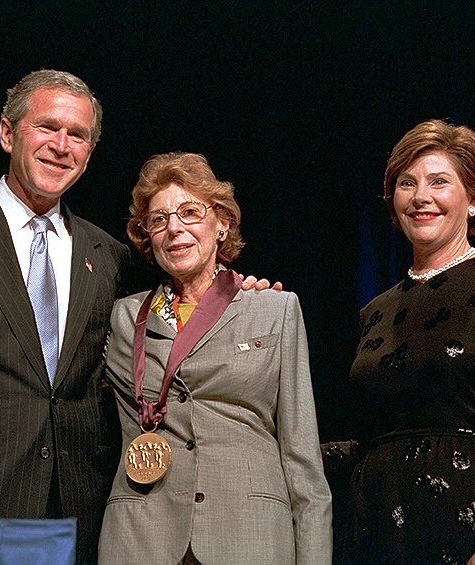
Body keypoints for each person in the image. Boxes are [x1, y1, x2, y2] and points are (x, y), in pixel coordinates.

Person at [0, 70, 272, 563]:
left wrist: (234, 294)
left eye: (78, 135)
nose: (61, 145)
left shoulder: (109, 255)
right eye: (47, 127)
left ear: (90, 153)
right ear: (8, 134)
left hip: (75, 510)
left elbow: (171, 321)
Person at [98, 152, 332, 564]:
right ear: (147, 237)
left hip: (249, 535)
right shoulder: (123, 317)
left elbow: (303, 460)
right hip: (141, 538)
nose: (174, 229)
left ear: (221, 223)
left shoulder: (274, 308)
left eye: (190, 212)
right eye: (158, 219)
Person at [343, 120, 475, 564]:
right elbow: (372, 439)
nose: (421, 197)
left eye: (440, 182)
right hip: (379, 530)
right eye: (407, 183)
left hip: (468, 526)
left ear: (474, 199)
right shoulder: (375, 310)